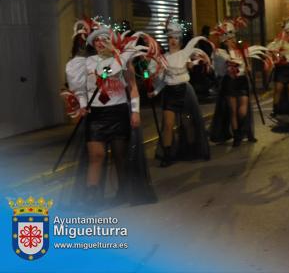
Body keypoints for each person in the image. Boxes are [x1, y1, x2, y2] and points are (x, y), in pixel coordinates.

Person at [65, 19, 156, 207]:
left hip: (119, 113)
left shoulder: (122, 61)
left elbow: (132, 88)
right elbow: (80, 89)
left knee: (120, 157)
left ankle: (123, 191)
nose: (100, 42)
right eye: (96, 40)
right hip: (96, 116)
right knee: (96, 155)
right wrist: (83, 104)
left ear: (112, 41)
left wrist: (135, 112)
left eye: (104, 39)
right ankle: (91, 198)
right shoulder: (86, 63)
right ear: (92, 44)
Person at [149, 17, 212, 167]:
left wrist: (197, 62)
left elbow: (193, 62)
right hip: (170, 93)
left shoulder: (185, 54)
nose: (173, 40)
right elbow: (161, 79)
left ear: (180, 40)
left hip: (185, 91)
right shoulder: (162, 58)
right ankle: (168, 155)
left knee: (187, 122)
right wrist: (155, 91)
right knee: (168, 125)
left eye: (176, 38)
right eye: (170, 37)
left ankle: (190, 150)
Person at [210, 18, 269, 146]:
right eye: (227, 38)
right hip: (230, 82)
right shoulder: (220, 53)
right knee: (233, 111)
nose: (230, 40)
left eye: (231, 37)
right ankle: (237, 135)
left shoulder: (242, 49)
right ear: (223, 40)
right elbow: (219, 71)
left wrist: (248, 67)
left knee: (243, 110)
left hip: (242, 81)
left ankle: (243, 131)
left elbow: (247, 66)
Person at [267, 19, 289, 117]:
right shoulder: (279, 39)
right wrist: (278, 53)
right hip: (281, 67)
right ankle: (275, 109)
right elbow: (271, 49)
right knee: (278, 89)